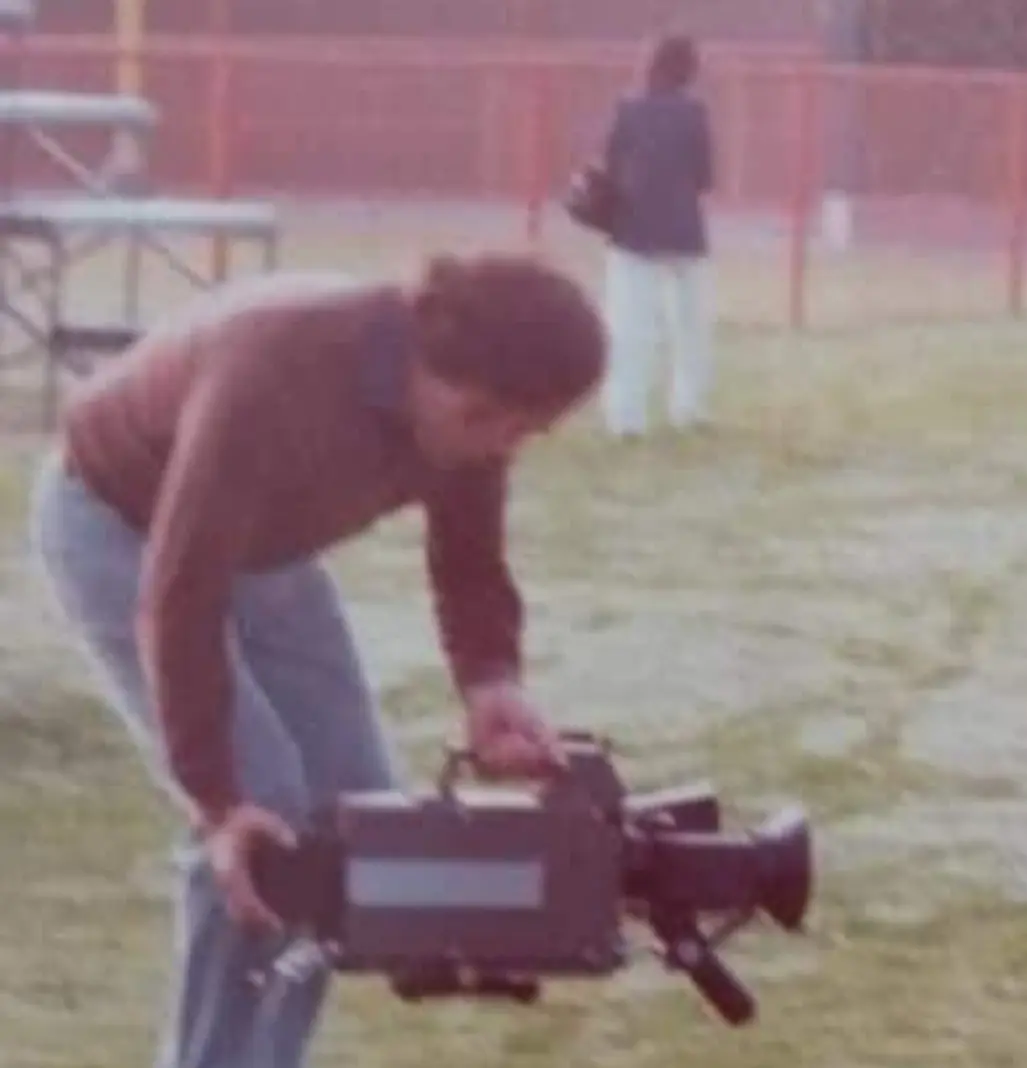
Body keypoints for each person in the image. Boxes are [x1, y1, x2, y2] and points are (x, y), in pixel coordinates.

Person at [27, 251, 607, 1068]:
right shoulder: (272, 368)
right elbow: (179, 591)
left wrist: (490, 682)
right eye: (491, 420)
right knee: (266, 828)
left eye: (525, 430)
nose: (500, 446)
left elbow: (469, 556)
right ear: (432, 368)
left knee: (357, 826)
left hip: (266, 550)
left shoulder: (472, 415)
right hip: (117, 525)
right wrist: (220, 800)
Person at [596, 33, 718, 438]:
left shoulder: (627, 110)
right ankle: (690, 409)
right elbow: (704, 176)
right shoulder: (695, 113)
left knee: (631, 328)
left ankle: (627, 417)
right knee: (691, 327)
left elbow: (609, 165)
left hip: (634, 228)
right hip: (685, 229)